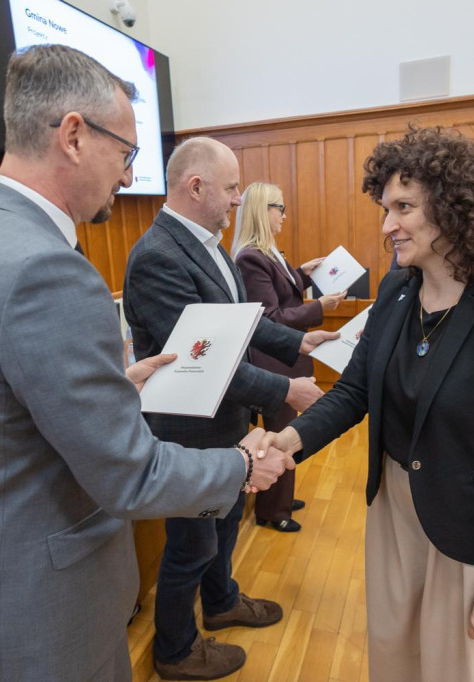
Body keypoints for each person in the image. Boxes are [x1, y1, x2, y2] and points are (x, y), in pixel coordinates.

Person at [0, 46, 292, 682]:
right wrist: (244, 464)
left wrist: (113, 385)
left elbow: (12, 401)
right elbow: (130, 477)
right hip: (41, 610)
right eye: (125, 154)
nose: (126, 176)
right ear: (72, 136)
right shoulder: (47, 268)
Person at [261, 126, 474, 681]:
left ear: (454, 208)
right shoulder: (397, 290)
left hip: (473, 530)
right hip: (396, 512)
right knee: (398, 660)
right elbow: (356, 389)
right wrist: (288, 441)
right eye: (386, 208)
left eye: (404, 207)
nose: (387, 226)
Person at [123, 137, 339, 680]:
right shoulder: (156, 256)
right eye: (232, 188)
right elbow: (198, 360)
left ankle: (220, 603)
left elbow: (237, 321)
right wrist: (283, 390)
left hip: (223, 418)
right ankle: (174, 650)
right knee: (191, 544)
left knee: (224, 526)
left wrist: (298, 344)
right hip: (188, 429)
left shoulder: (210, 244)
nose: (239, 199)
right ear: (196, 187)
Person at [232, 182, 347, 532]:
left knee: (286, 431)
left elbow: (279, 292)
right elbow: (270, 318)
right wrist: (319, 307)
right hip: (272, 361)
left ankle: (281, 495)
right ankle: (272, 511)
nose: (284, 215)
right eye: (279, 207)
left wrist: (301, 273)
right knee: (278, 433)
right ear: (262, 211)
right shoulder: (251, 256)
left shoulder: (268, 252)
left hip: (284, 358)